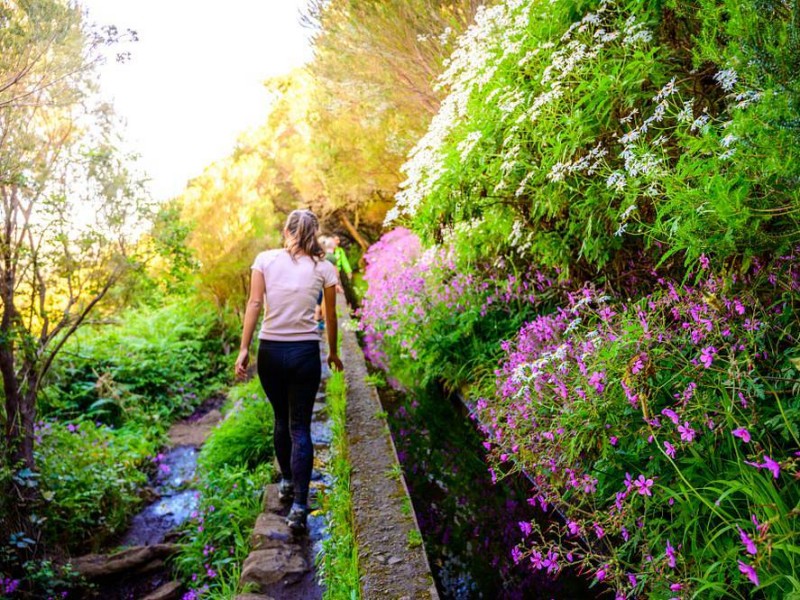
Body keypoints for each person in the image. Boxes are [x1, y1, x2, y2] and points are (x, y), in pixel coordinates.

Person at [235, 209, 343, 533]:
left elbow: (254, 304)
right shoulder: (324, 268)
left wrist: (244, 348)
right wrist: (333, 352)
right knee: (301, 428)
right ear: (314, 233)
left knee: (281, 420)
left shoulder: (265, 260)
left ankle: (286, 481)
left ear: (286, 230)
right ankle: (298, 507)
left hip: (270, 352)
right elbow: (332, 316)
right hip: (304, 354)